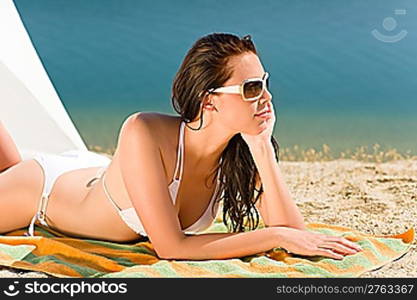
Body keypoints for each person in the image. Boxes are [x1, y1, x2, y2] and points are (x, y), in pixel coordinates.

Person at [0, 33, 362, 260]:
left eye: (265, 83)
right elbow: (172, 248)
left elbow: (296, 237)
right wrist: (273, 235)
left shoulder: (237, 153)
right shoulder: (144, 130)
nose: (267, 97)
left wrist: (262, 146)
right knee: (10, 172)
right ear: (209, 101)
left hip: (90, 173)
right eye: (251, 88)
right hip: (41, 192)